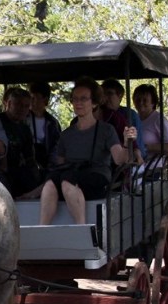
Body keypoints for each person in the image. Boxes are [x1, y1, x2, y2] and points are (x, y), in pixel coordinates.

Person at [39, 77, 138, 225]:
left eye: (84, 99)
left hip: (98, 178)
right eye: (75, 99)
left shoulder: (106, 130)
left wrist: (125, 143)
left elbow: (119, 159)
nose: (78, 103)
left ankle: (82, 227)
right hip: (72, 177)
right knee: (51, 183)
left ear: (95, 103)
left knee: (67, 181)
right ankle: (42, 229)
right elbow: (60, 164)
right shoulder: (66, 134)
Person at [0, 87, 41, 197]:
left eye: (26, 106)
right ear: (9, 103)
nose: (22, 109)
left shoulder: (25, 129)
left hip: (17, 170)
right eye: (18, 104)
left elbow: (29, 157)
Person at [100, 79, 147, 160]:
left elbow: (136, 144)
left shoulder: (129, 115)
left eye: (109, 93)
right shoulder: (99, 114)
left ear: (120, 96)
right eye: (103, 94)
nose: (105, 98)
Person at [133, 84, 168, 156]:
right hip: (136, 162)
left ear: (153, 102)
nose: (141, 103)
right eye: (138, 99)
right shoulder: (134, 118)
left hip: (152, 164)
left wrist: (146, 147)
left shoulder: (158, 120)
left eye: (145, 100)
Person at [27, 82, 62, 171]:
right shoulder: (23, 119)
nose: (31, 101)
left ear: (45, 100)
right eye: (30, 97)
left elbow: (57, 147)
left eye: (35, 98)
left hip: (46, 164)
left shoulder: (53, 123)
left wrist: (51, 166)